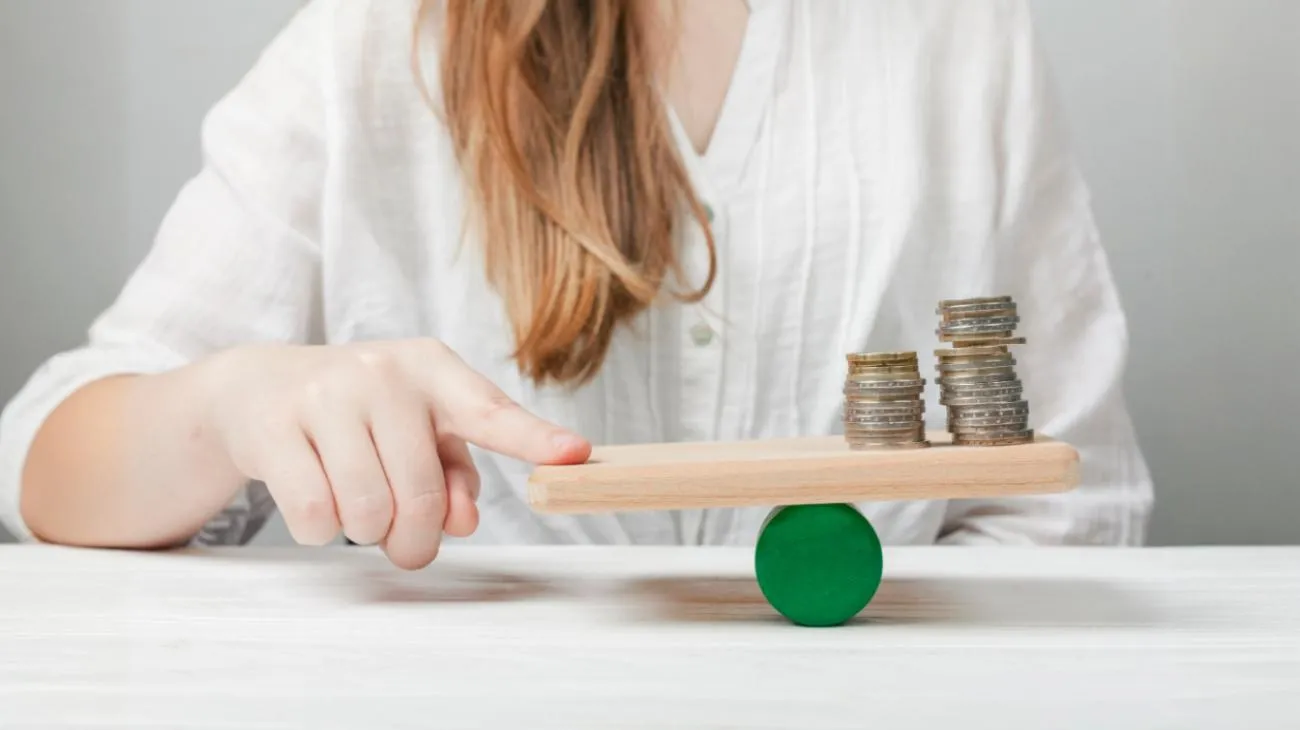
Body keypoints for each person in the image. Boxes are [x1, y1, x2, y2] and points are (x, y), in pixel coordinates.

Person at [0, 0, 1153, 569]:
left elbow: (1072, 510)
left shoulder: (958, 36)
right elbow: (44, 457)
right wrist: (226, 406)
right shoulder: (371, 42)